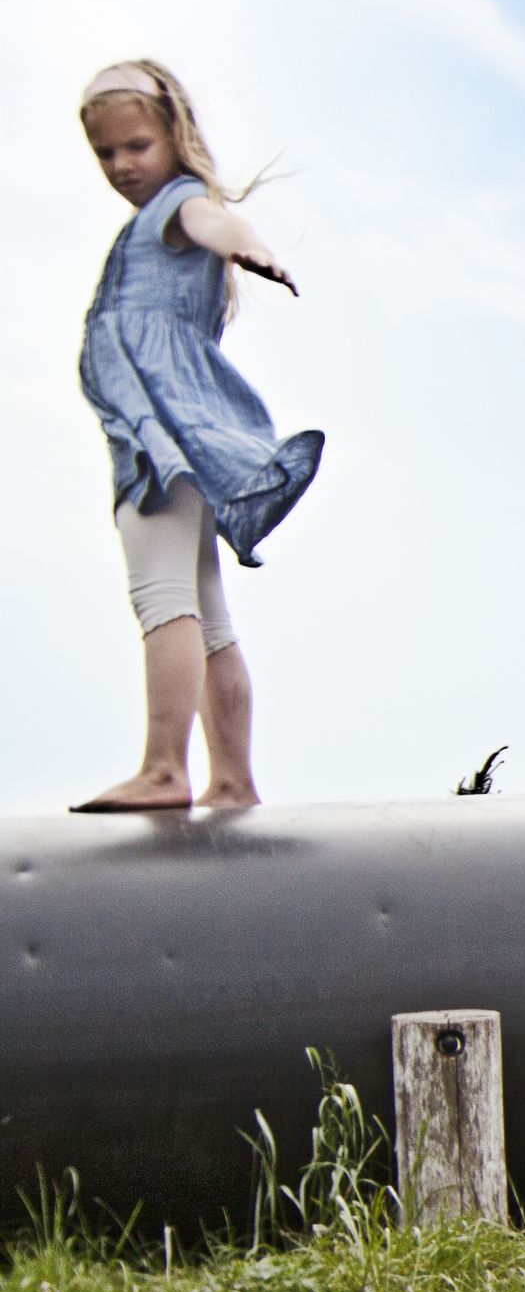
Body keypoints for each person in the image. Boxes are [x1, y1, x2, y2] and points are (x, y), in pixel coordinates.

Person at [70, 61, 319, 814]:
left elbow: (213, 221)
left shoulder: (180, 207)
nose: (122, 166)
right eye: (106, 154)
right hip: (183, 440)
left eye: (137, 146)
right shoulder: (150, 220)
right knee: (208, 611)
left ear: (176, 138)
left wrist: (247, 244)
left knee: (161, 595)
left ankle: (162, 768)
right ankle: (233, 779)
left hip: (160, 438)